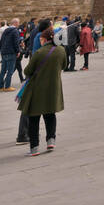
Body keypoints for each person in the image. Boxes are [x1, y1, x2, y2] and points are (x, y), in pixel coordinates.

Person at [19, 23, 66, 156]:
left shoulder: (39, 53)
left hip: (37, 89)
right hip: (54, 88)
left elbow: (27, 70)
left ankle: (34, 148)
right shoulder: (61, 50)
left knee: (34, 118)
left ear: (44, 39)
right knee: (50, 115)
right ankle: (51, 140)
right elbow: (64, 65)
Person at [0, 18, 23, 91]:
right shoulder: (15, 31)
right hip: (11, 52)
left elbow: (1, 41)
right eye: (18, 23)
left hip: (4, 52)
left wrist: (1, 50)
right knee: (10, 70)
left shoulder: (5, 30)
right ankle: (7, 86)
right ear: (15, 23)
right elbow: (16, 42)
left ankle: (1, 87)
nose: (18, 24)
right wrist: (18, 51)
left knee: (3, 70)